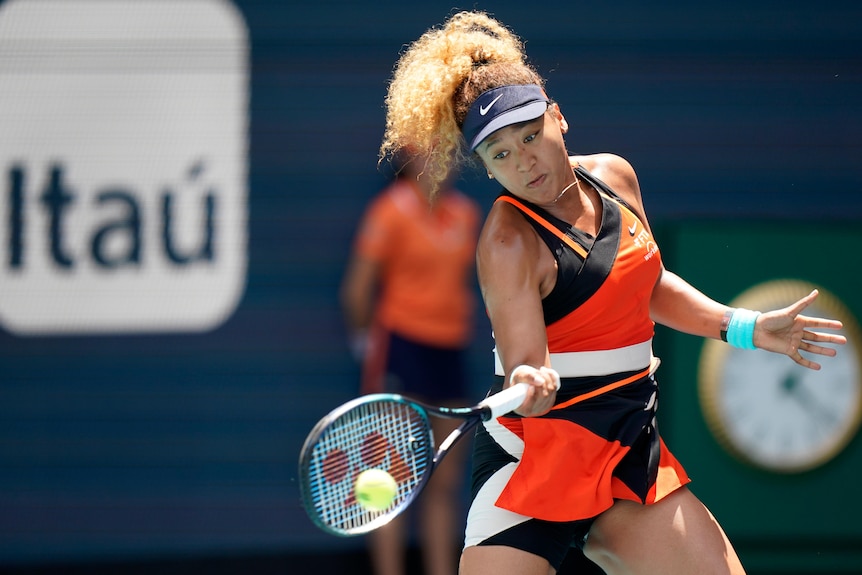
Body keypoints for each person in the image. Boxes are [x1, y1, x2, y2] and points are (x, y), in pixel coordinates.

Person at [376, 11, 848, 575]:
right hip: (535, 463)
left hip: (626, 451)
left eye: (531, 134)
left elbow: (645, 286)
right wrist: (530, 380)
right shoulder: (507, 243)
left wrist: (742, 326)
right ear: (483, 165)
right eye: (500, 153)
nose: (524, 161)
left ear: (558, 116)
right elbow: (528, 360)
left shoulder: (614, 177)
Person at [340, 150, 482, 575]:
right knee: (389, 480)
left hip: (449, 351)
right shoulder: (388, 211)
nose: (445, 160)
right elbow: (356, 291)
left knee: (444, 484)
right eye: (431, 151)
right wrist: (368, 345)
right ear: (410, 159)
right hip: (400, 346)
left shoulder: (466, 214)